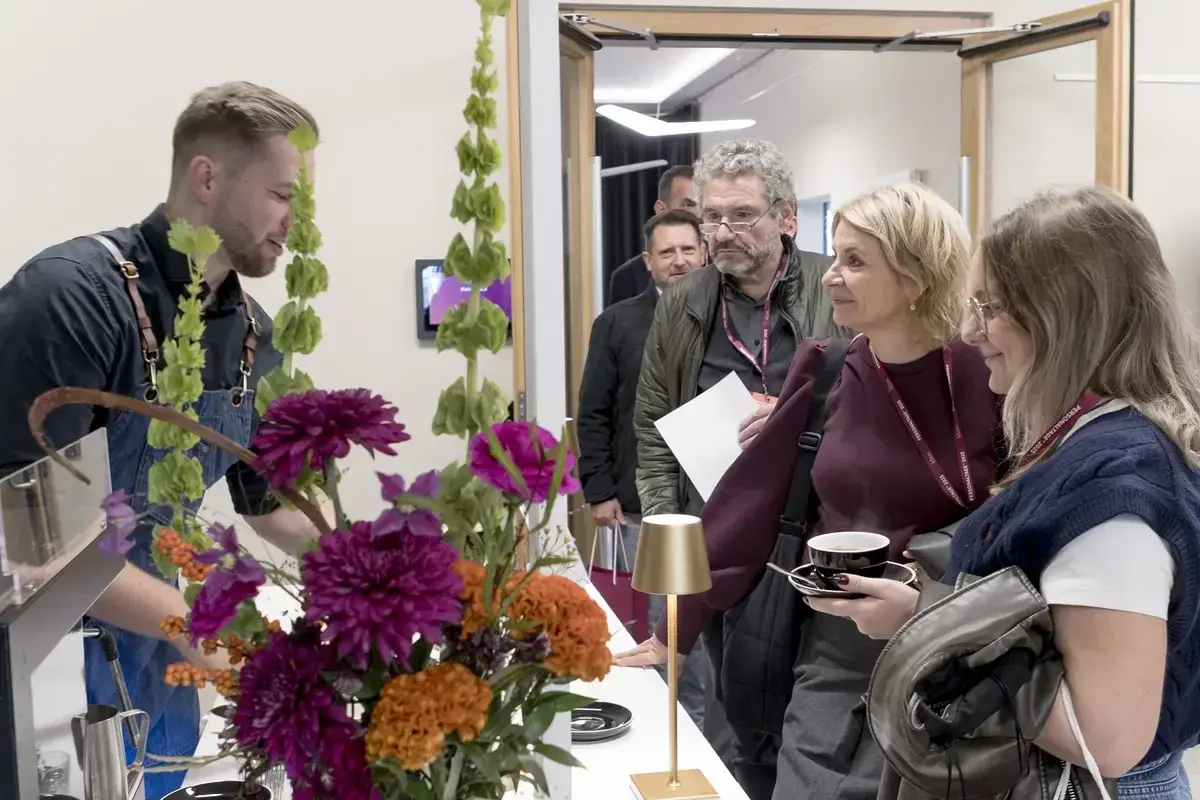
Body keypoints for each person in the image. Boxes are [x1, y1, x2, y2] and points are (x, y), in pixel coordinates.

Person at [811, 186, 1200, 798]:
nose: (970, 330)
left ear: (1062, 316)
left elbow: (1104, 738)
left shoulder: (1116, 493)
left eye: (989, 307)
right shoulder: (1090, 441)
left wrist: (923, 624)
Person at [619, 183, 1002, 800]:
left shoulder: (990, 372)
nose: (831, 278)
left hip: (953, 652)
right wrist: (675, 632)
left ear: (917, 275)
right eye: (836, 256)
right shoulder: (828, 366)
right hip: (834, 652)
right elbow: (749, 507)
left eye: (856, 261)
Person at [0, 81, 326, 800]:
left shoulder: (250, 330)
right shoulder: (71, 297)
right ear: (207, 177)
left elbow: (266, 500)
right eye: (281, 194)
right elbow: (32, 542)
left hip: (156, 663)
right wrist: (202, 628)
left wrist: (371, 576)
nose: (293, 222)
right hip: (42, 668)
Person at [628, 137, 845, 776]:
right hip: (718, 537)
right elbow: (653, 426)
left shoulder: (835, 291)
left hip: (811, 531)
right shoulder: (684, 303)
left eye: (742, 215)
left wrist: (797, 416)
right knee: (730, 712)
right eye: (712, 217)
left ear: (785, 217)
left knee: (808, 704)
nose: (723, 231)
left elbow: (871, 405)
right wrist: (670, 533)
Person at [579, 209, 705, 556]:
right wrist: (600, 492)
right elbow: (594, 413)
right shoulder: (615, 323)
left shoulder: (731, 318)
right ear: (649, 261)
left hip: (714, 499)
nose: (679, 261)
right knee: (646, 608)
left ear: (703, 253)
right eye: (667, 253)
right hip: (638, 501)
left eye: (688, 250)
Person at [607, 165, 698, 306]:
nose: (700, 214)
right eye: (689, 205)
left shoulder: (728, 268)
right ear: (661, 209)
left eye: (704, 205)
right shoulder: (628, 278)